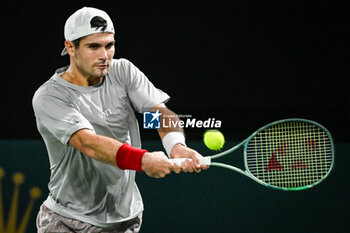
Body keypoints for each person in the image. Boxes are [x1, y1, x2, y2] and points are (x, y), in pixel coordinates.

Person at [32, 6, 207, 233]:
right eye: (93, 46)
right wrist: (143, 160)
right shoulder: (50, 96)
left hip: (125, 220)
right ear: (70, 47)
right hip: (68, 222)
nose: (104, 55)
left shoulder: (123, 72)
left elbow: (155, 114)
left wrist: (175, 146)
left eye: (109, 45)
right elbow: (88, 143)